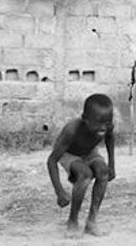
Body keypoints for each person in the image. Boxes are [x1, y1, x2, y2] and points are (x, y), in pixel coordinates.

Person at [47, 93, 115, 237]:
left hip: (89, 151)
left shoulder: (107, 124)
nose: (103, 127)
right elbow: (51, 161)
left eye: (107, 123)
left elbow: (110, 138)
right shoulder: (72, 130)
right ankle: (72, 221)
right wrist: (59, 192)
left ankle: (91, 222)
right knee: (85, 175)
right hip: (68, 153)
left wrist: (111, 165)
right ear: (85, 119)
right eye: (98, 123)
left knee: (103, 172)